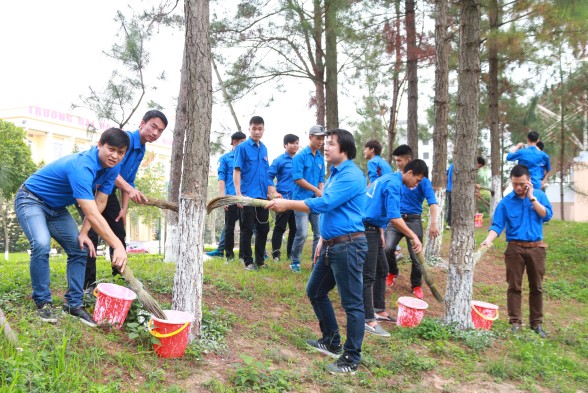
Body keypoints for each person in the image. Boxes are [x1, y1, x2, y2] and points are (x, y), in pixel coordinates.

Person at [266, 128, 368, 374]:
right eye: (325, 143)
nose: (326, 147)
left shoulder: (352, 175)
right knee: (315, 291)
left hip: (349, 246)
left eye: (331, 143)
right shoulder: (334, 174)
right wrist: (323, 237)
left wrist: (287, 204)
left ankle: (351, 359)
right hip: (332, 244)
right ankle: (332, 341)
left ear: (344, 148)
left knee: (352, 304)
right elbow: (333, 210)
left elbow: (324, 203)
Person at [14, 128, 130, 326]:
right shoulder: (82, 166)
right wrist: (117, 245)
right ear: (99, 145)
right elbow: (91, 211)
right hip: (31, 199)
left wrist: (84, 232)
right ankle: (42, 302)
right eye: (111, 149)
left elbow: (100, 202)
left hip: (56, 208)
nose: (115, 156)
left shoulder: (112, 169)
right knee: (41, 244)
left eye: (120, 152)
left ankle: (73, 305)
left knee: (79, 249)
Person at [82, 110, 168, 291]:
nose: (156, 133)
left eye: (160, 131)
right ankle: (87, 285)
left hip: (108, 192)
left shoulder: (141, 149)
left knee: (119, 234)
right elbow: (112, 171)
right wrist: (130, 189)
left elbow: (127, 180)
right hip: (90, 189)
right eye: (153, 127)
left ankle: (120, 279)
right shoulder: (126, 140)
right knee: (91, 234)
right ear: (142, 123)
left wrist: (124, 208)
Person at [480, 165, 552, 338]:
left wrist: (532, 199)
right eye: (514, 184)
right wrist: (488, 240)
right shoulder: (505, 202)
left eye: (521, 184)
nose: (518, 187)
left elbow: (547, 215)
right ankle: (515, 322)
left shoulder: (540, 196)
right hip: (514, 248)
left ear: (528, 181)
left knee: (537, 287)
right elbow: (497, 225)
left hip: (536, 248)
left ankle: (536, 323)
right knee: (514, 286)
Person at [363, 159, 427, 336]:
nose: (416, 185)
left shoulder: (390, 180)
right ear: (410, 172)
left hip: (374, 228)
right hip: (365, 229)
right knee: (368, 275)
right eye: (418, 180)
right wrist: (413, 235)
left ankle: (379, 310)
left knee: (382, 269)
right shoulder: (393, 183)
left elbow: (378, 207)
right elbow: (394, 216)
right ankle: (367, 319)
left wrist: (381, 230)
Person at [384, 145, 439, 299]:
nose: (398, 164)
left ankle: (416, 284)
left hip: (413, 219)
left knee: (416, 256)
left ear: (408, 160)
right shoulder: (396, 178)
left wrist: (433, 223)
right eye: (396, 161)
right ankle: (392, 272)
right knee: (387, 248)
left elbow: (433, 203)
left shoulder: (421, 180)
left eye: (399, 161)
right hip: (396, 219)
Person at [233, 116, 271, 271]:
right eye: (254, 128)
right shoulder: (242, 148)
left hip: (263, 196)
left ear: (263, 129)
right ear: (249, 129)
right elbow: (237, 171)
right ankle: (248, 262)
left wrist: (270, 193)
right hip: (247, 195)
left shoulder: (264, 149)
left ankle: (260, 261)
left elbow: (266, 173)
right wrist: (238, 195)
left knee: (263, 229)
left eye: (260, 128)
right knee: (247, 229)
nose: (257, 131)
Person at [289, 125, 325, 273]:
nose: (320, 141)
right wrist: (316, 190)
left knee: (319, 233)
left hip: (316, 202)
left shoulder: (321, 158)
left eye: (322, 138)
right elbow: (297, 178)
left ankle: (315, 262)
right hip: (301, 201)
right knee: (302, 233)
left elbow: (321, 178)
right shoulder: (300, 156)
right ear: (310, 137)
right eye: (318, 138)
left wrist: (321, 190)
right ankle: (295, 261)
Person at [207, 131, 247, 260]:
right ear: (235, 142)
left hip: (245, 197)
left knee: (245, 228)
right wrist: (222, 198)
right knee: (229, 227)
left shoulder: (246, 158)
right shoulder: (225, 159)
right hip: (230, 198)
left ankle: (243, 256)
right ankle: (229, 256)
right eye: (242, 142)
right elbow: (221, 179)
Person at [268, 134, 299, 261]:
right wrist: (273, 192)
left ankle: (290, 254)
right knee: (280, 227)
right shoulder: (279, 160)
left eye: (297, 143)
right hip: (283, 199)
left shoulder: (299, 160)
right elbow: (268, 176)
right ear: (285, 145)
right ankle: (276, 254)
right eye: (292, 143)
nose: (295, 145)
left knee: (295, 228)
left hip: (297, 200)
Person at [445, 156, 486, 229]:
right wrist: (474, 185)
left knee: (451, 206)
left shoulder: (453, 164)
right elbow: (462, 179)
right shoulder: (460, 166)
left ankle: (451, 223)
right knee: (452, 207)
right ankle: (450, 223)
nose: (477, 168)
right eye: (479, 166)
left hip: (450, 188)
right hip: (453, 189)